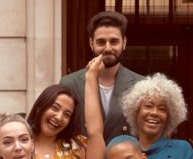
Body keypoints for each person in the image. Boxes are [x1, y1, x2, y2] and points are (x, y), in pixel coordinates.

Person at [60, 11, 143, 142]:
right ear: (91, 43)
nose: (108, 48)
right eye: (101, 42)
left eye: (114, 41)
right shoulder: (69, 84)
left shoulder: (141, 85)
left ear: (124, 43)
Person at [119, 73, 193, 159]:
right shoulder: (122, 150)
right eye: (148, 106)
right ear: (135, 111)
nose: (155, 113)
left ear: (169, 116)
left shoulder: (182, 150)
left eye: (162, 109)